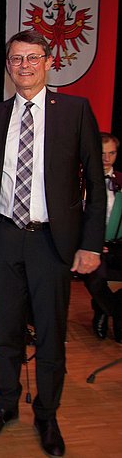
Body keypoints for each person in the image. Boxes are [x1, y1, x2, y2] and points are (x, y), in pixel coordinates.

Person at [0, 30, 104, 457]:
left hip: (52, 242)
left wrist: (91, 244)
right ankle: (6, 405)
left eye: (31, 58)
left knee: (49, 334)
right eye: (15, 59)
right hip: (4, 238)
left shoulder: (75, 111)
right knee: (6, 333)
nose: (23, 66)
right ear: (8, 66)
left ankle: (47, 413)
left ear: (47, 62)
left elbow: (96, 185)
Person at [84, 133, 122, 342]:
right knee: (97, 279)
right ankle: (113, 314)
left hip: (118, 244)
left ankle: (108, 312)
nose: (107, 158)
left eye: (112, 153)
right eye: (102, 153)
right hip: (92, 245)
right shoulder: (81, 181)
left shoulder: (121, 181)